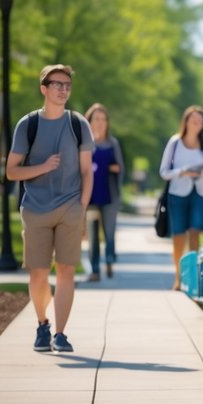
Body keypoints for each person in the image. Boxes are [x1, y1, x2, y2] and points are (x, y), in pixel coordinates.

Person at [5, 65, 93, 353]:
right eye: (57, 84)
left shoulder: (78, 123)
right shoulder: (27, 124)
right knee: (39, 274)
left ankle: (61, 333)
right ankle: (42, 324)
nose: (63, 89)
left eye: (67, 85)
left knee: (66, 271)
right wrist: (43, 167)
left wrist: (81, 207)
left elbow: (86, 172)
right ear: (44, 88)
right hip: (35, 209)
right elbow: (11, 172)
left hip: (70, 206)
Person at [160, 106, 203, 290]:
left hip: (201, 193)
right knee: (178, 236)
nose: (197, 123)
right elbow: (164, 172)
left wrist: (201, 167)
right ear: (186, 121)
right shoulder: (175, 142)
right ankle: (178, 275)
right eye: (193, 120)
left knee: (194, 234)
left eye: (200, 121)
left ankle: (192, 278)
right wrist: (183, 172)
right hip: (177, 193)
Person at [82, 103, 125, 283]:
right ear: (89, 121)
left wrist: (113, 168)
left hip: (109, 196)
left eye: (103, 120)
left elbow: (120, 168)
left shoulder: (112, 143)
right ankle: (94, 270)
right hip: (90, 197)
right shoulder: (83, 143)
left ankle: (109, 259)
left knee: (109, 232)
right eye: (96, 119)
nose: (100, 123)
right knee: (92, 235)